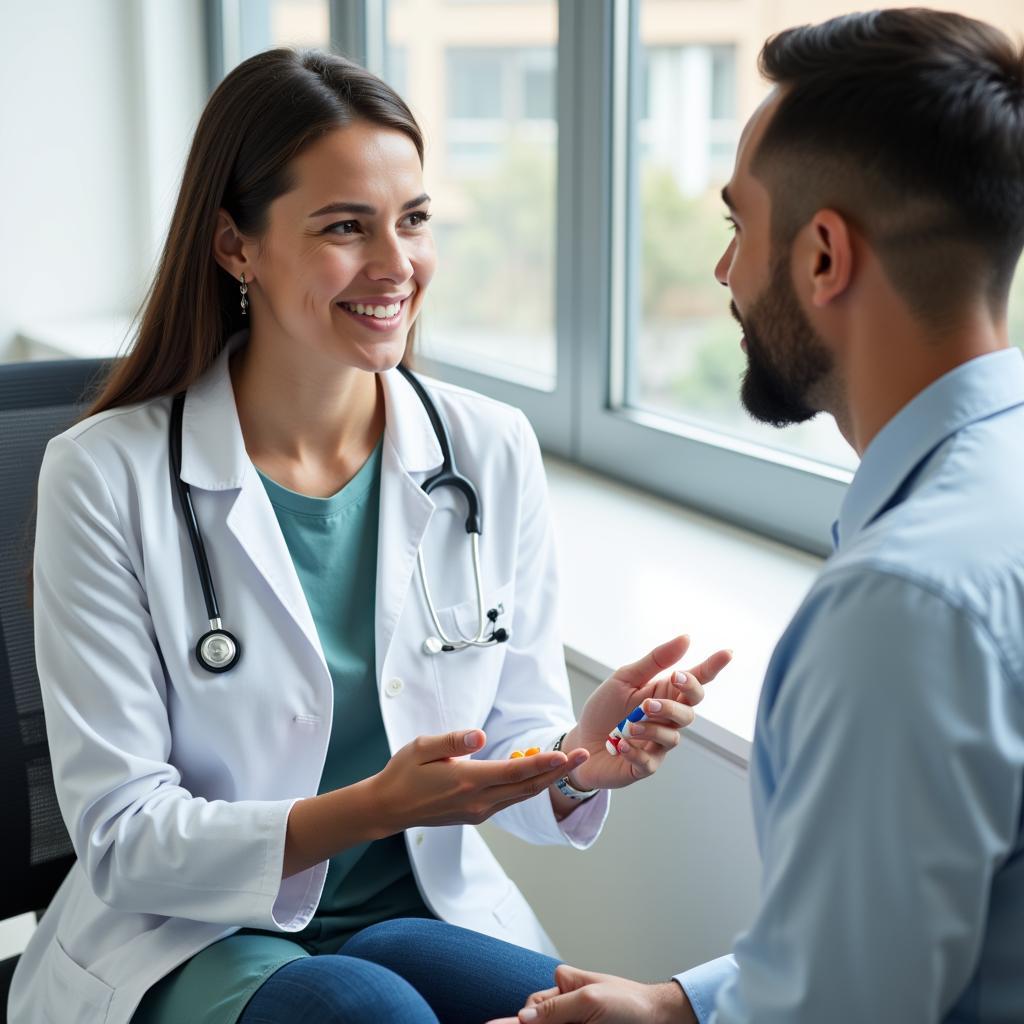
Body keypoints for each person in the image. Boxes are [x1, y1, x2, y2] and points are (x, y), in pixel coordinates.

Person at [7, 49, 732, 1024]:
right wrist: (372, 807)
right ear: (235, 245)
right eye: (346, 227)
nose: (397, 266)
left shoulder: (485, 448)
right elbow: (127, 836)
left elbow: (501, 740)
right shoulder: (105, 474)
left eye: (415, 219)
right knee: (366, 1006)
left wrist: (569, 759)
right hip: (192, 934)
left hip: (413, 909)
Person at [490, 8, 1024, 1024]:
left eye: (738, 227)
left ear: (823, 256)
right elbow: (881, 950)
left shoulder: (904, 605)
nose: (725, 275)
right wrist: (679, 1006)